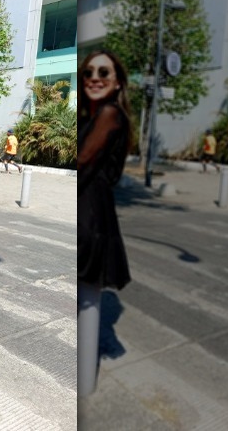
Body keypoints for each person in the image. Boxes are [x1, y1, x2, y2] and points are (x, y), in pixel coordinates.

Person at [78, 49, 132, 292]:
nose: (94, 78)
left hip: (90, 215)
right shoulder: (93, 117)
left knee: (87, 297)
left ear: (118, 82)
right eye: (88, 73)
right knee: (86, 297)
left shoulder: (110, 114)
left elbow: (83, 162)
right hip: (90, 212)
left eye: (103, 72)